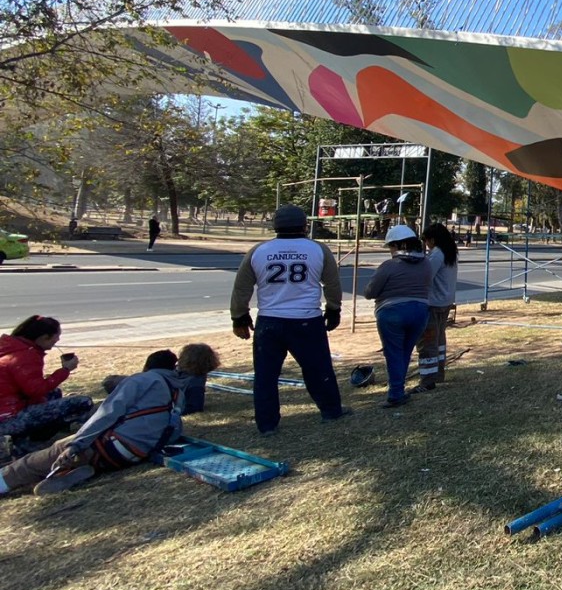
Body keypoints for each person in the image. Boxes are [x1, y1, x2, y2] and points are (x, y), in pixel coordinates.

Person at [0, 343, 220, 496]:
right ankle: (76, 471)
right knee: (72, 456)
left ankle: (6, 480)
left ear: (180, 360)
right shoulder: (179, 394)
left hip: (110, 446)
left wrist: (76, 444)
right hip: (135, 454)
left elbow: (107, 413)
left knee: (48, 454)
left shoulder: (146, 380)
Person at [229, 205, 351, 434]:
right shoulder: (317, 250)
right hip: (307, 320)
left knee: (265, 376)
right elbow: (332, 284)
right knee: (318, 369)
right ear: (305, 225)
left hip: (269, 321)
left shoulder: (259, 251)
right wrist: (334, 309)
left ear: (275, 226)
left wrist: (239, 317)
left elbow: (242, 287)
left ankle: (267, 424)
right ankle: (331, 410)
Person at [0, 316, 93, 454]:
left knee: (55, 393)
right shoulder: (25, 356)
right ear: (44, 337)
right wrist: (65, 370)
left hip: (7, 409)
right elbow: (36, 390)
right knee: (83, 402)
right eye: (55, 338)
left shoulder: (10, 347)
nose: (57, 341)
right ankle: (83, 438)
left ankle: (28, 437)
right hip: (10, 418)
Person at [364, 225, 431, 408]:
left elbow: (370, 292)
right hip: (420, 311)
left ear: (396, 245)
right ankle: (398, 391)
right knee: (405, 352)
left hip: (392, 312)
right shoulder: (426, 264)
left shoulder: (389, 266)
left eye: (391, 246)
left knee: (393, 353)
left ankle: (396, 394)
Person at [413, 224, 459, 393]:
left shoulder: (437, 254)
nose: (426, 244)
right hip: (446, 301)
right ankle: (438, 373)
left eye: (426, 241)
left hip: (433, 303)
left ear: (432, 239)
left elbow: (426, 276)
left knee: (428, 342)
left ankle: (428, 380)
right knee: (439, 339)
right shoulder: (450, 251)